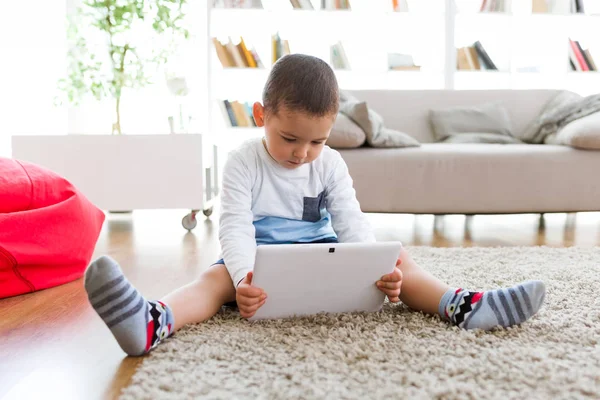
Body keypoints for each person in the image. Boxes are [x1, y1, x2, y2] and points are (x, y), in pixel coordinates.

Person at [84, 54, 546, 356]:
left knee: (401, 260)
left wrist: (373, 266)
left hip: (321, 252)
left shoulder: (331, 165)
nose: (302, 153)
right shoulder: (243, 162)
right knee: (213, 281)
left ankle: (461, 306)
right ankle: (152, 321)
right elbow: (235, 226)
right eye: (289, 138)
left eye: (317, 141)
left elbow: (348, 220)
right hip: (258, 262)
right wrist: (244, 276)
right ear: (261, 115)